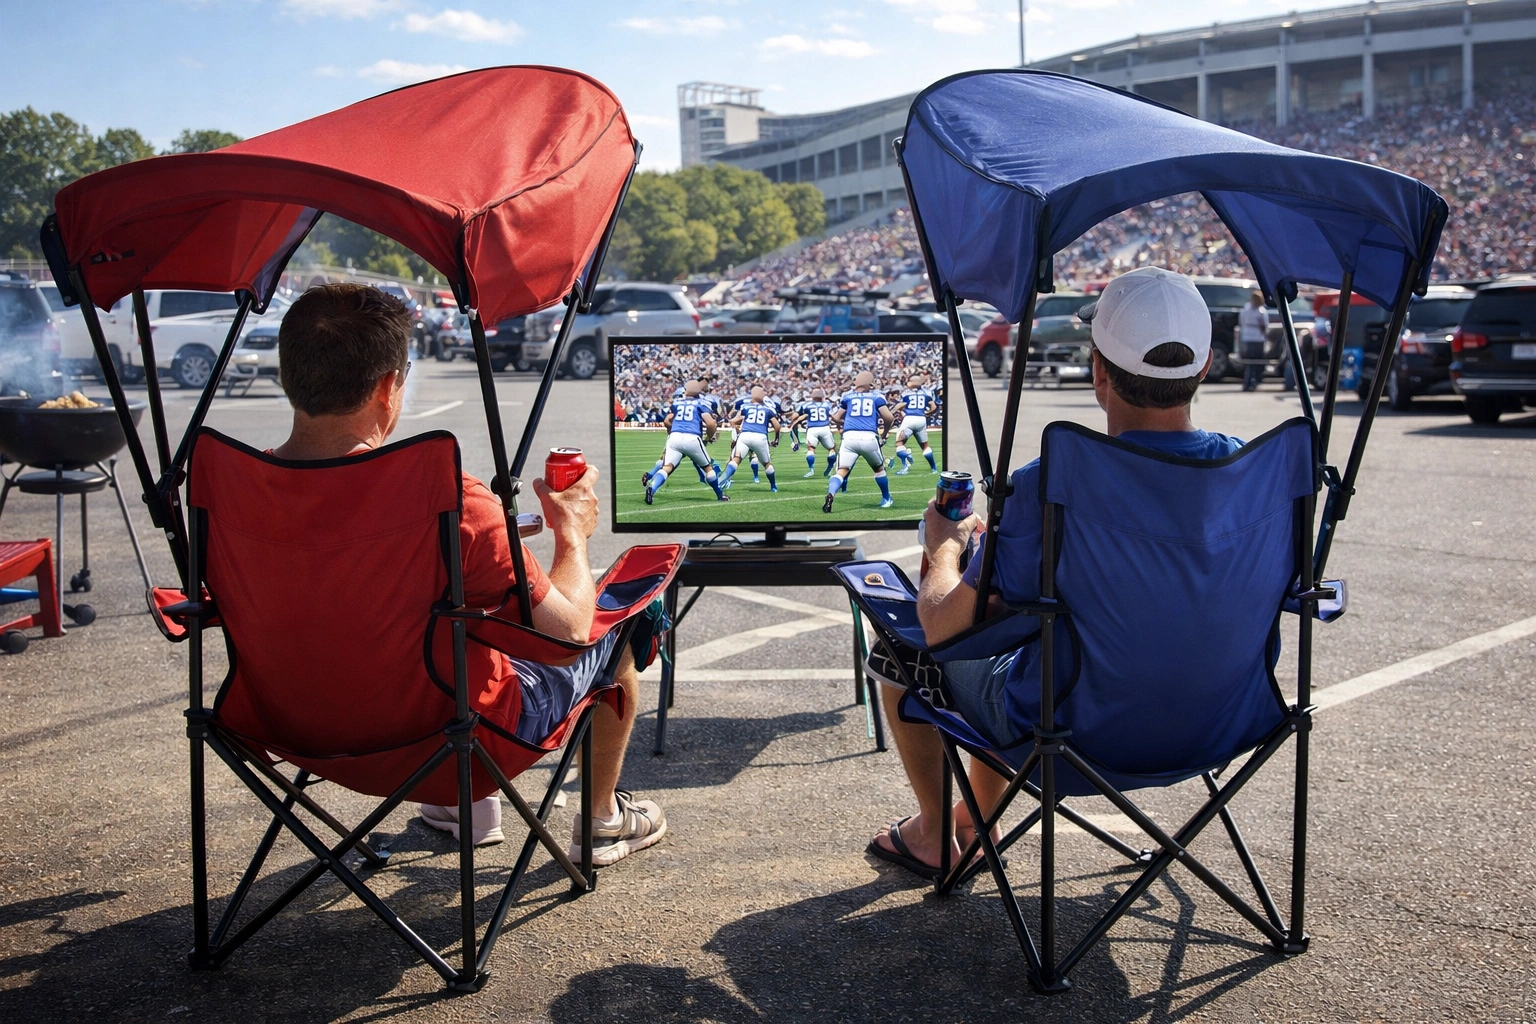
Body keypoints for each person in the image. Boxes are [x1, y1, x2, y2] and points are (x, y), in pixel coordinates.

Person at [863, 267, 1241, 878]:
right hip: (1225, 722)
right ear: (1203, 368)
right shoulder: (1251, 476)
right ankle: (970, 817)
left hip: (1079, 736)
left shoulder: (1050, 488)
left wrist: (947, 548)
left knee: (901, 649)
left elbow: (947, 626)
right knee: (1019, 651)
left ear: (1098, 372)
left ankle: (937, 833)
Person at [271, 283, 667, 864]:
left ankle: (470, 810)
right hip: (450, 741)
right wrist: (572, 537)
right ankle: (603, 818)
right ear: (388, 387)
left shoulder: (230, 493)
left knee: (441, 607)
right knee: (627, 618)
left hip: (294, 728)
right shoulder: (451, 502)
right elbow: (566, 637)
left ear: (289, 377)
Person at [644, 381, 728, 504]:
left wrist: (671, 432)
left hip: (675, 436)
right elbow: (711, 423)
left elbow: (667, 421)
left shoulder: (677, 402)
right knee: (708, 469)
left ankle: (652, 487)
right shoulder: (702, 402)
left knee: (667, 467)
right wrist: (709, 437)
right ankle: (720, 495)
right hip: (692, 437)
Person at [824, 370, 896, 513]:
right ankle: (886, 498)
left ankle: (831, 494)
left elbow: (836, 417)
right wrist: (885, 434)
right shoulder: (877, 397)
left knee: (841, 471)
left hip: (849, 437)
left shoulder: (847, 397)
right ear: (870, 383)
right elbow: (889, 418)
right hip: (869, 437)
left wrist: (849, 422)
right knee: (879, 469)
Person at [721, 385, 781, 492]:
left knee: (735, 460)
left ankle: (721, 481)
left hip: (745, 435)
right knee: (767, 464)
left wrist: (737, 426)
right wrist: (777, 439)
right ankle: (773, 486)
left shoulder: (745, 406)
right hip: (760, 436)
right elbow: (777, 426)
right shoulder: (768, 408)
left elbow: (734, 421)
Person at [890, 375, 939, 475]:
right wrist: (927, 413)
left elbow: (902, 404)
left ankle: (905, 466)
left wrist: (894, 410)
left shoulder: (906, 393)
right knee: (925, 446)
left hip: (909, 418)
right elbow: (934, 407)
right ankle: (934, 468)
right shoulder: (927, 393)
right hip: (921, 419)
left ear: (911, 383)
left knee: (899, 443)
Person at [1239, 290, 1269, 392]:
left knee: (1250, 363)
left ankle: (1247, 382)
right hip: (1257, 338)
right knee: (1255, 362)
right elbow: (1265, 326)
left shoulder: (1245, 309)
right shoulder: (1261, 311)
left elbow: (1241, 323)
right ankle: (1253, 381)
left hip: (1248, 338)